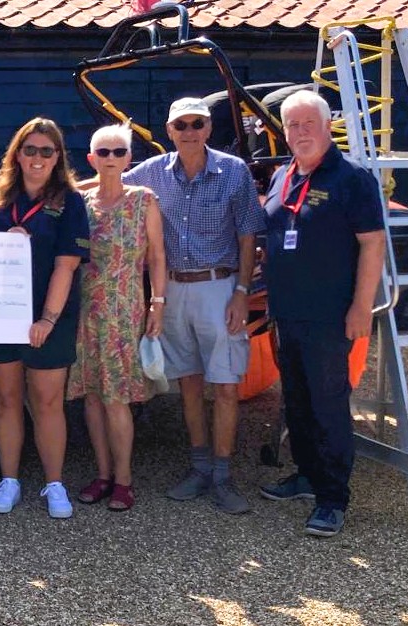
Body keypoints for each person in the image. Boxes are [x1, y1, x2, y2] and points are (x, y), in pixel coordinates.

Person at [121, 97, 266, 515]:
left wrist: (242, 291)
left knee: (225, 385)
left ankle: (222, 475)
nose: (189, 131)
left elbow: (247, 236)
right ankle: (199, 468)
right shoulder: (153, 172)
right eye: (180, 124)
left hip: (218, 288)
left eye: (197, 123)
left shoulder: (233, 171)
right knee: (188, 383)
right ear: (169, 131)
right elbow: (108, 180)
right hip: (173, 290)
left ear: (208, 128)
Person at [258, 90, 385, 537]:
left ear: (327, 125)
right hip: (287, 313)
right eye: (292, 125)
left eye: (308, 123)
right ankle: (306, 476)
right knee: (296, 401)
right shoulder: (282, 176)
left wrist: (361, 307)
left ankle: (333, 498)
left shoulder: (352, 179)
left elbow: (372, 244)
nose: (300, 132)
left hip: (331, 316)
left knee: (329, 405)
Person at [0, 118, 91, 519]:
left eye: (47, 151)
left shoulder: (70, 201)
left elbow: (67, 265)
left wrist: (46, 319)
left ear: (58, 156)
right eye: (30, 149)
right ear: (17, 153)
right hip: (1, 315)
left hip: (50, 316)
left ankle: (54, 483)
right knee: (6, 399)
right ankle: (9, 480)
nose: (38, 158)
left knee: (46, 402)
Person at [66, 123, 166, 512]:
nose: (111, 158)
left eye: (118, 152)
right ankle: (102, 473)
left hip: (123, 311)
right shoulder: (83, 204)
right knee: (92, 396)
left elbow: (157, 256)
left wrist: (158, 301)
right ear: (92, 159)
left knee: (118, 398)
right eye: (103, 152)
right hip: (86, 310)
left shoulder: (144, 201)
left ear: (129, 158)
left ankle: (124, 480)